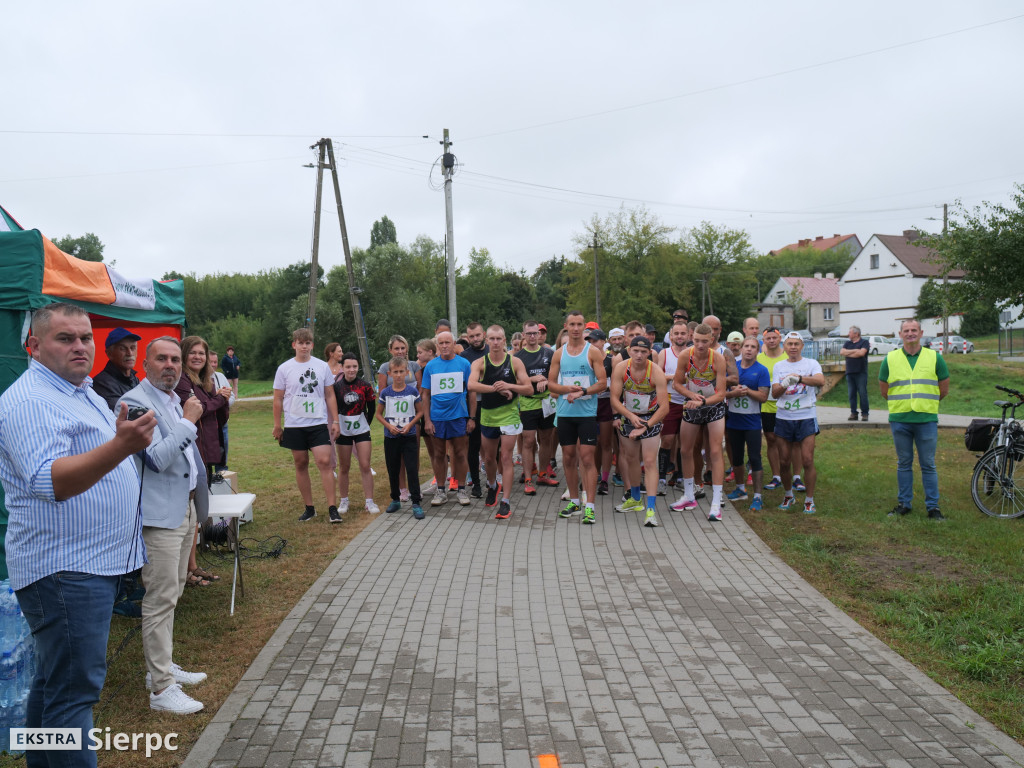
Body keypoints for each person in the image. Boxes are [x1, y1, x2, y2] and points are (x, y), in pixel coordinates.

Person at [0, 303, 155, 768]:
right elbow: (51, 481)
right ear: (34, 345)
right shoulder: (31, 400)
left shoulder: (78, 391)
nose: (80, 347)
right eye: (65, 338)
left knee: (54, 683)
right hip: (65, 569)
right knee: (74, 694)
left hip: (86, 564)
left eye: (85, 337)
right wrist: (121, 446)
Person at [118, 337, 210, 714]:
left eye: (175, 359)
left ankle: (161, 666)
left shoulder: (172, 400)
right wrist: (189, 421)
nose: (171, 365)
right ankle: (161, 689)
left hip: (183, 508)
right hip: (158, 517)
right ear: (146, 364)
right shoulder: (136, 402)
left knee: (173, 592)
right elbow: (156, 458)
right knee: (158, 600)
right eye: (162, 359)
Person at [880, 319, 949, 520]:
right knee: (904, 463)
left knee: (928, 464)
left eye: (914, 330)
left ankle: (933, 508)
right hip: (900, 419)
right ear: (900, 334)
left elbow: (943, 389)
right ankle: (904, 504)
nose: (910, 333)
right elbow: (885, 390)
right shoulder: (890, 359)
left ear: (921, 333)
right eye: (906, 330)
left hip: (926, 419)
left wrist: (926, 404)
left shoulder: (935, 357)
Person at [272, 328, 341, 522]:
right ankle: (309, 508)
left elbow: (329, 394)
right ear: (294, 345)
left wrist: (335, 420)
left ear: (312, 345)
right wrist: (278, 425)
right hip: (294, 425)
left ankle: (332, 508)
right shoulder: (284, 368)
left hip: (318, 423)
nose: (304, 346)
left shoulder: (321, 366)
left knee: (324, 461)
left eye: (307, 343)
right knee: (301, 463)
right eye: (300, 343)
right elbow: (278, 399)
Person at [547, 311, 607, 524]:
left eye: (579, 324)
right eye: (571, 324)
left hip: (586, 414)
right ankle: (574, 501)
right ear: (566, 326)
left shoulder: (593, 352)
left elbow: (602, 382)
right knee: (569, 458)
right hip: (565, 413)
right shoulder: (559, 354)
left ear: (584, 327)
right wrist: (566, 389)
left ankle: (589, 506)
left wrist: (582, 391)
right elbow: (551, 383)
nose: (575, 328)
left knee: (588, 458)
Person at [469, 326, 533, 519]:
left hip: (509, 415)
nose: (495, 342)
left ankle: (505, 501)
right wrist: (495, 389)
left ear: (504, 340)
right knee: (489, 459)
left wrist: (509, 386)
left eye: (499, 339)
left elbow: (529, 388)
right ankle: (492, 485)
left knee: (506, 457)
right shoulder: (480, 362)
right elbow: (471, 385)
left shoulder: (515, 362)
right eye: (492, 339)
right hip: (488, 415)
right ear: (487, 341)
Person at [670, 323, 729, 521]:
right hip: (693, 405)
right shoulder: (686, 355)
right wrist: (691, 396)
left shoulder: (718, 359)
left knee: (714, 451)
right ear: (691, 338)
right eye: (696, 341)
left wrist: (702, 401)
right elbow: (677, 383)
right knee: (685, 450)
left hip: (713, 406)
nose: (700, 345)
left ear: (712, 340)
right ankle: (689, 495)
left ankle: (716, 501)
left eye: (704, 341)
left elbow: (721, 394)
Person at [610, 336, 669, 527]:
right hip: (629, 417)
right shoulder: (621, 368)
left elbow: (664, 407)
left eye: (644, 352)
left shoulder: (656, 372)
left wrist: (647, 424)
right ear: (629, 350)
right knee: (631, 458)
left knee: (650, 461)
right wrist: (629, 416)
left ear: (650, 352)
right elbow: (614, 399)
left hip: (651, 418)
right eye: (635, 351)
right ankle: (635, 499)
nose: (639, 355)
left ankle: (650, 509)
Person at [771, 332, 826, 514]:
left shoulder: (811, 363)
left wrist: (800, 378)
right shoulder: (779, 366)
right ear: (784, 347)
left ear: (802, 346)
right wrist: (785, 383)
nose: (793, 347)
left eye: (796, 344)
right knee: (784, 461)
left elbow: (820, 381)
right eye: (789, 344)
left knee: (808, 459)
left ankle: (809, 500)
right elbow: (775, 393)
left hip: (806, 416)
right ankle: (788, 495)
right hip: (784, 417)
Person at [422, 331, 475, 507]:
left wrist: (471, 418)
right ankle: (441, 489)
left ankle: (461, 489)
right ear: (437, 346)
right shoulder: (431, 366)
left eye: (447, 342)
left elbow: (472, 392)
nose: (444, 346)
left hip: (459, 416)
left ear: (454, 344)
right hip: (437, 417)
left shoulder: (464, 364)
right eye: (441, 343)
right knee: (438, 454)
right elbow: (425, 395)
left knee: (460, 453)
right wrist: (427, 420)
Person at [724, 337, 771, 511]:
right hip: (734, 420)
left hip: (752, 422)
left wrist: (747, 391)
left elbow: (763, 397)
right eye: (746, 346)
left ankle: (758, 496)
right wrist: (732, 394)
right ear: (741, 348)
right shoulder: (732, 368)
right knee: (736, 458)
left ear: (758, 351)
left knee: (755, 458)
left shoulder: (762, 371)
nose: (749, 349)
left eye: (753, 347)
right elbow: (721, 392)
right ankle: (740, 489)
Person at [376, 355, 425, 519]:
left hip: (409, 435)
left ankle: (416, 502)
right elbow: (378, 414)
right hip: (391, 437)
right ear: (389, 374)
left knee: (411, 468)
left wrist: (410, 425)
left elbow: (420, 411)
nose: (398, 375)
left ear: (407, 373)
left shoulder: (412, 391)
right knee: (393, 468)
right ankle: (395, 499)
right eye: (395, 372)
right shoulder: (385, 392)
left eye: (401, 371)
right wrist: (389, 426)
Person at [516, 320, 558, 493]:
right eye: (529, 333)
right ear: (524, 335)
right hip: (528, 402)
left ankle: (542, 474)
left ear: (539, 334)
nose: (533, 336)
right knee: (528, 440)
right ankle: (527, 479)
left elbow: (556, 378)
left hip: (547, 402)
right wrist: (532, 379)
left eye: (536, 333)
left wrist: (546, 381)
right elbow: (514, 381)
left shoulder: (549, 353)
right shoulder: (518, 357)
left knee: (546, 439)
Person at [334, 352, 378, 516]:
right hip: (343, 431)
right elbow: (332, 407)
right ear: (342, 367)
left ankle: (369, 501)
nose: (351, 370)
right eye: (348, 367)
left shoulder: (365, 386)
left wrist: (366, 422)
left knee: (365, 465)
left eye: (354, 366)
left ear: (358, 367)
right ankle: (344, 500)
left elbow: (372, 407)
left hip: (361, 430)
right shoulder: (336, 387)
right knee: (344, 467)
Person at [657, 320, 692, 495]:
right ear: (671, 336)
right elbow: (657, 377)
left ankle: (679, 476)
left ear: (688, 335)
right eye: (676, 333)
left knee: (684, 442)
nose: (679, 336)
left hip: (688, 402)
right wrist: (675, 377)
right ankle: (661, 478)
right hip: (670, 402)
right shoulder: (664, 353)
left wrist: (675, 378)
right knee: (668, 440)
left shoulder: (693, 353)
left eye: (682, 333)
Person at [757, 326, 791, 491]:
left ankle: (791, 474)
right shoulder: (759, 359)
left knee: (786, 440)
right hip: (766, 406)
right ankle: (776, 476)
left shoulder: (787, 357)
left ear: (780, 340)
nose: (771, 341)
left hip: (785, 406)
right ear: (764, 341)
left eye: (774, 338)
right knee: (771, 439)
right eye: (768, 338)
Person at [460, 322, 487, 497]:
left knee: (494, 445)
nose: (475, 339)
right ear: (467, 337)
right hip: (472, 405)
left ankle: (494, 479)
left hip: (493, 403)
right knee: (473, 446)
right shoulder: (464, 356)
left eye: (477, 335)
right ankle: (476, 484)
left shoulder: (493, 351)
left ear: (483, 334)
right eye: (471, 336)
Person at [91, 327, 141, 410]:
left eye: (133, 348)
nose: (130, 353)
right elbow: (125, 412)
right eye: (122, 349)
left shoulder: (134, 379)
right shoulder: (101, 383)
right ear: (109, 354)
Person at [208, 348, 236, 472]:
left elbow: (232, 396)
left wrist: (224, 402)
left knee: (222, 457)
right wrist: (218, 399)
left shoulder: (220, 377)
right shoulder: (197, 378)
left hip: (222, 424)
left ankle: (222, 478)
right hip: (207, 426)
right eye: (211, 362)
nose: (214, 365)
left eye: (215, 362)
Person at [842, 325, 871, 421]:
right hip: (849, 372)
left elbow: (861, 353)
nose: (848, 334)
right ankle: (853, 413)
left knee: (862, 393)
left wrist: (849, 353)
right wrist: (855, 351)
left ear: (856, 333)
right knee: (851, 394)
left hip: (861, 372)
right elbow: (842, 352)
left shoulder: (864, 342)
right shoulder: (847, 343)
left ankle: (865, 413)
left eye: (850, 332)